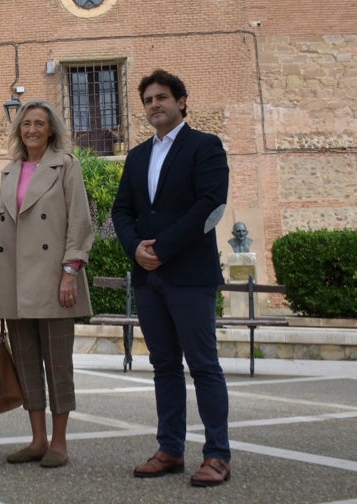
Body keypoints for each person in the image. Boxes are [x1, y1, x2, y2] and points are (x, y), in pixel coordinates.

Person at [110, 69, 232, 487]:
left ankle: (217, 455)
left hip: (188, 274)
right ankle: (170, 449)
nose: (154, 105)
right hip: (148, 278)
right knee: (163, 364)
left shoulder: (205, 146)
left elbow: (210, 204)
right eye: (147, 100)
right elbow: (121, 210)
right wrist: (135, 248)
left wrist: (161, 248)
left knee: (203, 365)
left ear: (181, 101)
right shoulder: (138, 155)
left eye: (162, 97)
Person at [0, 100, 94, 469]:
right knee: (27, 364)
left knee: (57, 365)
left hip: (53, 279)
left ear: (51, 130)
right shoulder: (9, 171)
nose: (32, 129)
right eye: (26, 123)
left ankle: (59, 442)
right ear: (19, 129)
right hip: (15, 282)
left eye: (39, 124)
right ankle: (37, 439)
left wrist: (70, 272)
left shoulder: (65, 165)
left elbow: (79, 222)